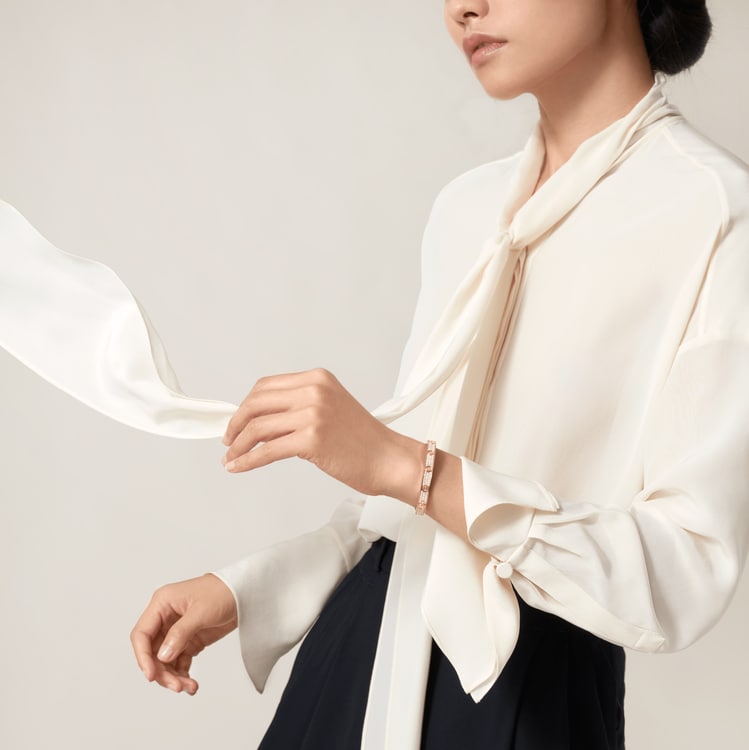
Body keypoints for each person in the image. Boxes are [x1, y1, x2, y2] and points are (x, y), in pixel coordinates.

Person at [130, 1, 749, 748]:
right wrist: (250, 585)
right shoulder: (467, 208)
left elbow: (684, 573)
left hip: (526, 692)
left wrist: (403, 465)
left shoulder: (717, 213)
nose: (461, 9)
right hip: (353, 661)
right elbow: (404, 511)